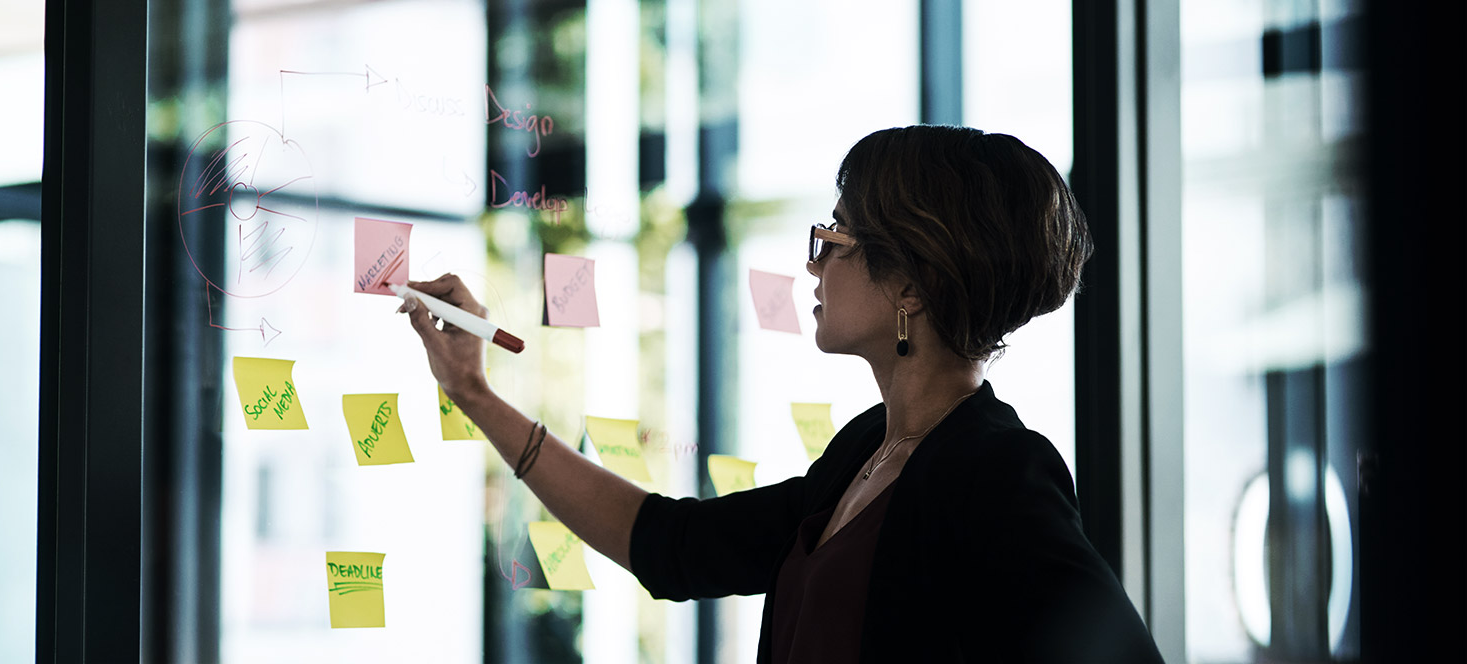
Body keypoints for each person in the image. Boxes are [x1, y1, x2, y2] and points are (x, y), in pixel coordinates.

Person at [400, 125, 1165, 663]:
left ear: (907, 283)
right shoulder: (866, 451)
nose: (813, 267)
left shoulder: (996, 474)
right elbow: (672, 548)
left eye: (833, 240)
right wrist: (472, 391)